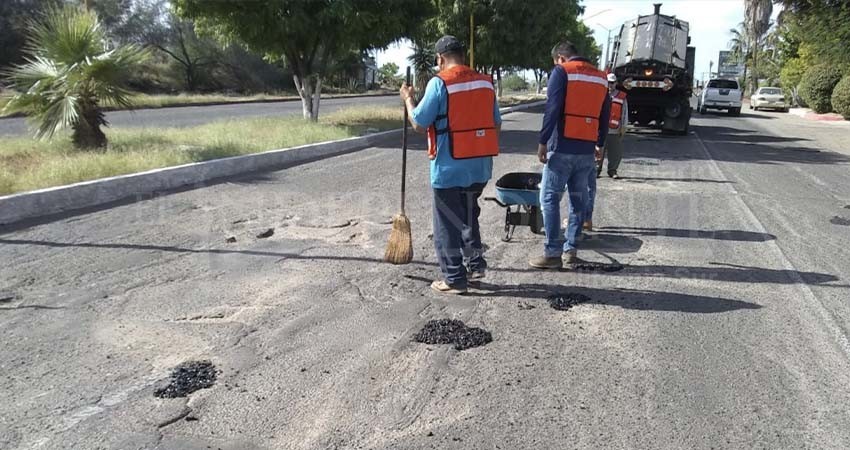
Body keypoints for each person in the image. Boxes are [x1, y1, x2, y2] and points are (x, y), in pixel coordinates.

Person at [400, 35, 502, 295]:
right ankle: (475, 264)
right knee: (468, 217)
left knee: (447, 223)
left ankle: (454, 278)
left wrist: (408, 99)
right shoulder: (485, 83)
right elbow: (496, 123)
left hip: (449, 168)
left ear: (440, 59)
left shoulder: (440, 83)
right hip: (479, 167)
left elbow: (419, 123)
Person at [529, 41, 610, 270]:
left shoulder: (562, 72)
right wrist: (600, 143)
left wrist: (543, 141)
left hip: (562, 148)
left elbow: (552, 108)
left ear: (561, 58)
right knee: (578, 201)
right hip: (586, 151)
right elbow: (605, 114)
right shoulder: (600, 77)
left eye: (555, 61)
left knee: (549, 199)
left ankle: (553, 253)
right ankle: (571, 251)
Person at [602, 73, 628, 179]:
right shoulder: (600, 94)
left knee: (615, 153)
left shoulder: (621, 97)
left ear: (616, 83)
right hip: (601, 130)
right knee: (598, 151)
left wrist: (624, 127)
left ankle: (612, 171)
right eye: (608, 83)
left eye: (612, 83)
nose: (610, 85)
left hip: (615, 130)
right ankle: (595, 170)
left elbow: (625, 113)